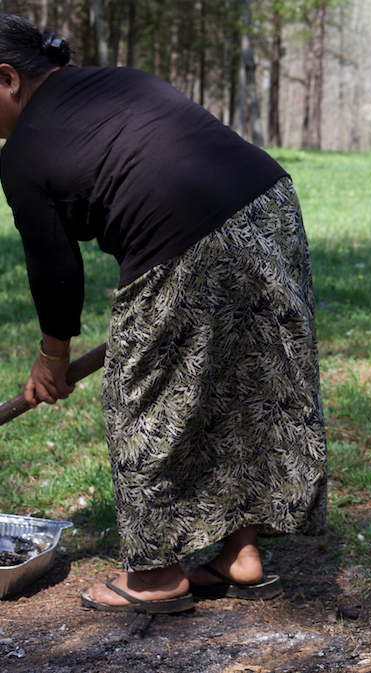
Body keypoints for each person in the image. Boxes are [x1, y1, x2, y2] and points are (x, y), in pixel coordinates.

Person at [0, 15, 327, 613]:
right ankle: (239, 551)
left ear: (7, 79)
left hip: (183, 241)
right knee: (244, 381)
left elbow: (55, 268)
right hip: (269, 208)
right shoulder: (118, 80)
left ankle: (154, 577)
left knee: (144, 397)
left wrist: (52, 359)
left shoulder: (21, 151)